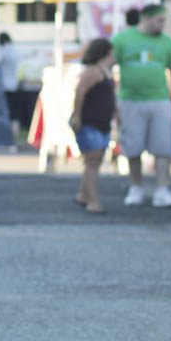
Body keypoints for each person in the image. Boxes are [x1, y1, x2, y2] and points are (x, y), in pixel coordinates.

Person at [111, 3, 171, 208]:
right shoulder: (122, 39)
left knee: (163, 145)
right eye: (159, 20)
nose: (162, 25)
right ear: (145, 18)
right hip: (130, 100)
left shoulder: (166, 42)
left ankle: (162, 189)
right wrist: (111, 99)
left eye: (164, 20)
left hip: (160, 100)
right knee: (132, 145)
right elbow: (107, 66)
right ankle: (136, 187)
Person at [70, 38, 117, 214]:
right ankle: (92, 200)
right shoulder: (92, 71)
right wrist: (76, 118)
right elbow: (79, 93)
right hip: (90, 122)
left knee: (93, 162)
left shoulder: (105, 71)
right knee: (92, 161)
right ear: (105, 52)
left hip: (101, 122)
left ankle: (84, 194)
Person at [0, 32, 22, 139]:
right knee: (14, 110)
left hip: (4, 85)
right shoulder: (15, 50)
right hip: (14, 84)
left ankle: (5, 132)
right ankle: (15, 132)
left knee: (5, 109)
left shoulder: (3, 51)